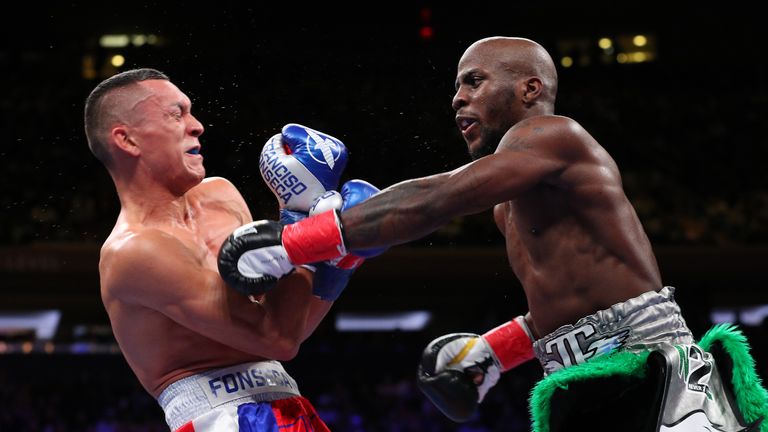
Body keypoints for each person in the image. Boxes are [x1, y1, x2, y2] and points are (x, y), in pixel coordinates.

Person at [217, 37, 768, 431]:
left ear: (530, 89)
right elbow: (576, 305)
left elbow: (440, 197)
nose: (457, 98)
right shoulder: (512, 207)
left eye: (474, 81)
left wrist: (294, 244)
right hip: (595, 384)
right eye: (456, 86)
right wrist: (493, 353)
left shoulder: (554, 135)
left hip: (657, 376)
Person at [83, 68, 381, 431]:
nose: (196, 126)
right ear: (127, 140)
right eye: (176, 115)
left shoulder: (220, 196)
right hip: (219, 417)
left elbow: (290, 324)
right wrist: (301, 219)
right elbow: (277, 339)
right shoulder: (132, 252)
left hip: (289, 402)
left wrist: (338, 263)